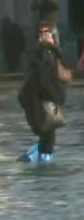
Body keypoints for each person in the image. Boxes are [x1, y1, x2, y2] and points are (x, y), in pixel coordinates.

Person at [17, 23, 70, 163]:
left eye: (47, 32)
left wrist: (53, 46)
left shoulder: (56, 51)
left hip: (51, 97)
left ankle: (35, 156)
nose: (44, 35)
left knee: (49, 132)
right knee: (47, 130)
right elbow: (39, 71)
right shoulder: (37, 51)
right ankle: (37, 157)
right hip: (40, 98)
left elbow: (67, 65)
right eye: (41, 32)